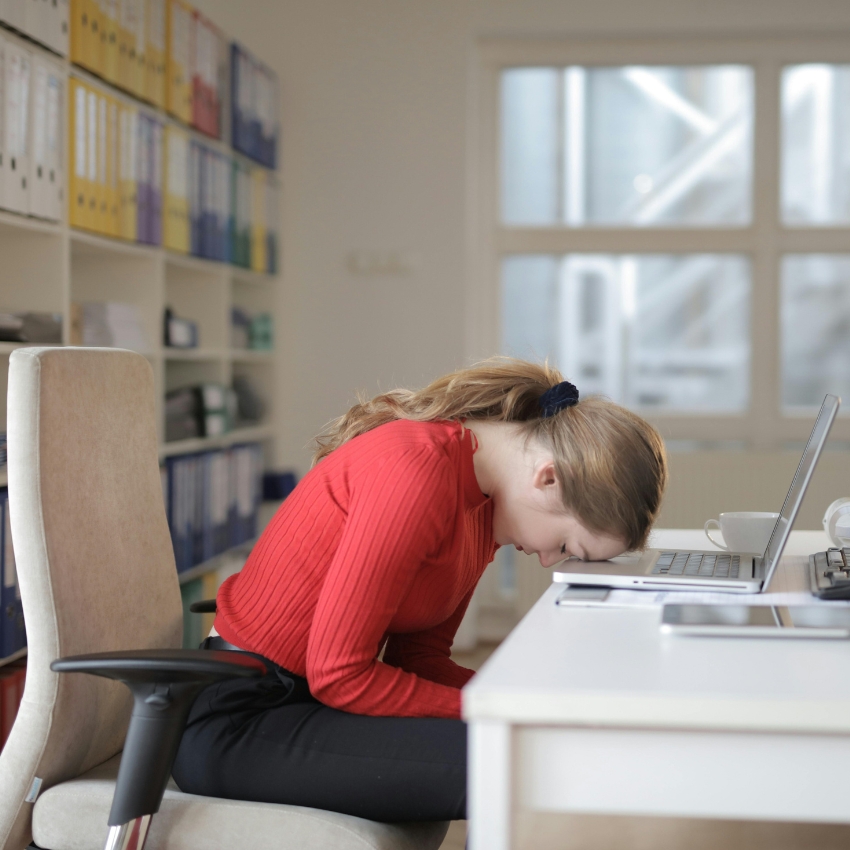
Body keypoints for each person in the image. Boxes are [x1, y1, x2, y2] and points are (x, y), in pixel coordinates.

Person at [172, 357, 668, 822]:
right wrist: (500, 707)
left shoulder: (483, 508)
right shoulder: (417, 469)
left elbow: (421, 659)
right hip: (242, 720)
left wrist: (527, 699)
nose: (548, 559)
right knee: (527, 764)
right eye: (565, 544)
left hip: (307, 705)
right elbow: (340, 675)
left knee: (538, 746)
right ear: (549, 478)